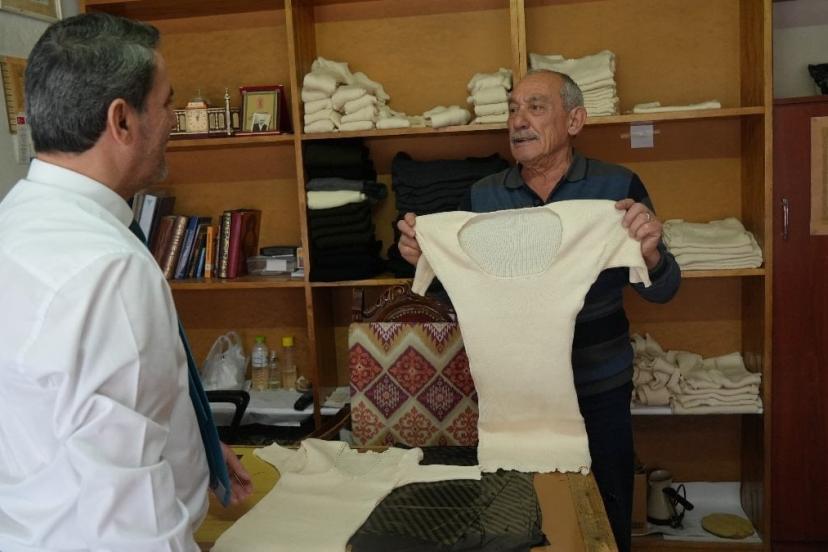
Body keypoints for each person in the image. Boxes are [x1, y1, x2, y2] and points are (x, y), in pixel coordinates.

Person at [397, 69, 681, 552]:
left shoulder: (616, 190)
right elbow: (461, 296)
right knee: (514, 517)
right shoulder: (483, 197)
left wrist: (651, 253)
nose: (518, 120)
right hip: (512, 396)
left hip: (599, 388)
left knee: (603, 515)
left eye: (535, 107)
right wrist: (427, 260)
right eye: (512, 109)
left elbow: (665, 290)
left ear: (574, 120)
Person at [0, 12, 252, 551]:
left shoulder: (15, 223)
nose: (173, 121)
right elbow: (128, 511)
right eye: (166, 104)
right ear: (121, 120)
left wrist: (194, 443)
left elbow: (66, 413)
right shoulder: (108, 269)